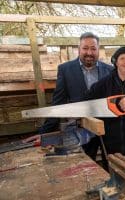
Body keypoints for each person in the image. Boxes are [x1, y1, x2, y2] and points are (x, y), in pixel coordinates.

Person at [24, 32, 113, 160]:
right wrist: (44, 135)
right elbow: (58, 103)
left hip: (107, 130)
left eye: (93, 48)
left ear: (98, 50)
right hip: (81, 131)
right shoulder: (66, 70)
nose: (89, 52)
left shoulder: (109, 70)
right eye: (85, 48)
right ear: (79, 49)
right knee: (84, 168)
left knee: (111, 166)